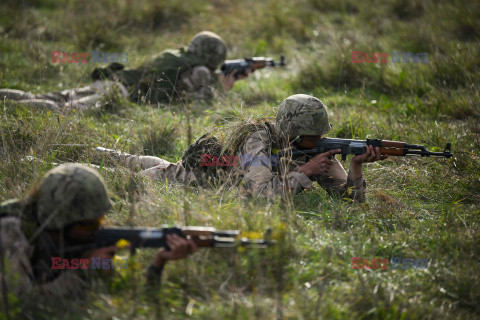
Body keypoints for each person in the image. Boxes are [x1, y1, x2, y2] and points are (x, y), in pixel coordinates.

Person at [94, 94, 387, 202]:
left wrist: (356, 167)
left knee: (148, 161)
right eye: (313, 137)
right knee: (129, 175)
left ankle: (106, 155)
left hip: (183, 168)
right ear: (293, 134)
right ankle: (94, 160)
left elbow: (351, 200)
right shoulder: (258, 140)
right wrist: (306, 173)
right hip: (183, 180)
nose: (320, 141)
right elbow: (260, 195)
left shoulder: (315, 150)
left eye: (321, 135)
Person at [0, 164, 197, 299]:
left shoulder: (74, 239)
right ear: (60, 221)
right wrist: (83, 273)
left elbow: (128, 299)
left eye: (100, 221)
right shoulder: (10, 233)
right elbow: (20, 304)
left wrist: (159, 262)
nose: (98, 230)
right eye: (89, 225)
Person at [0, 31, 246, 109]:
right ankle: (11, 109)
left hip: (112, 81)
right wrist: (223, 89)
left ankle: (8, 101)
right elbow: (199, 107)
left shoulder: (176, 54)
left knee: (50, 97)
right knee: (62, 109)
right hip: (119, 93)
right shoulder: (201, 71)